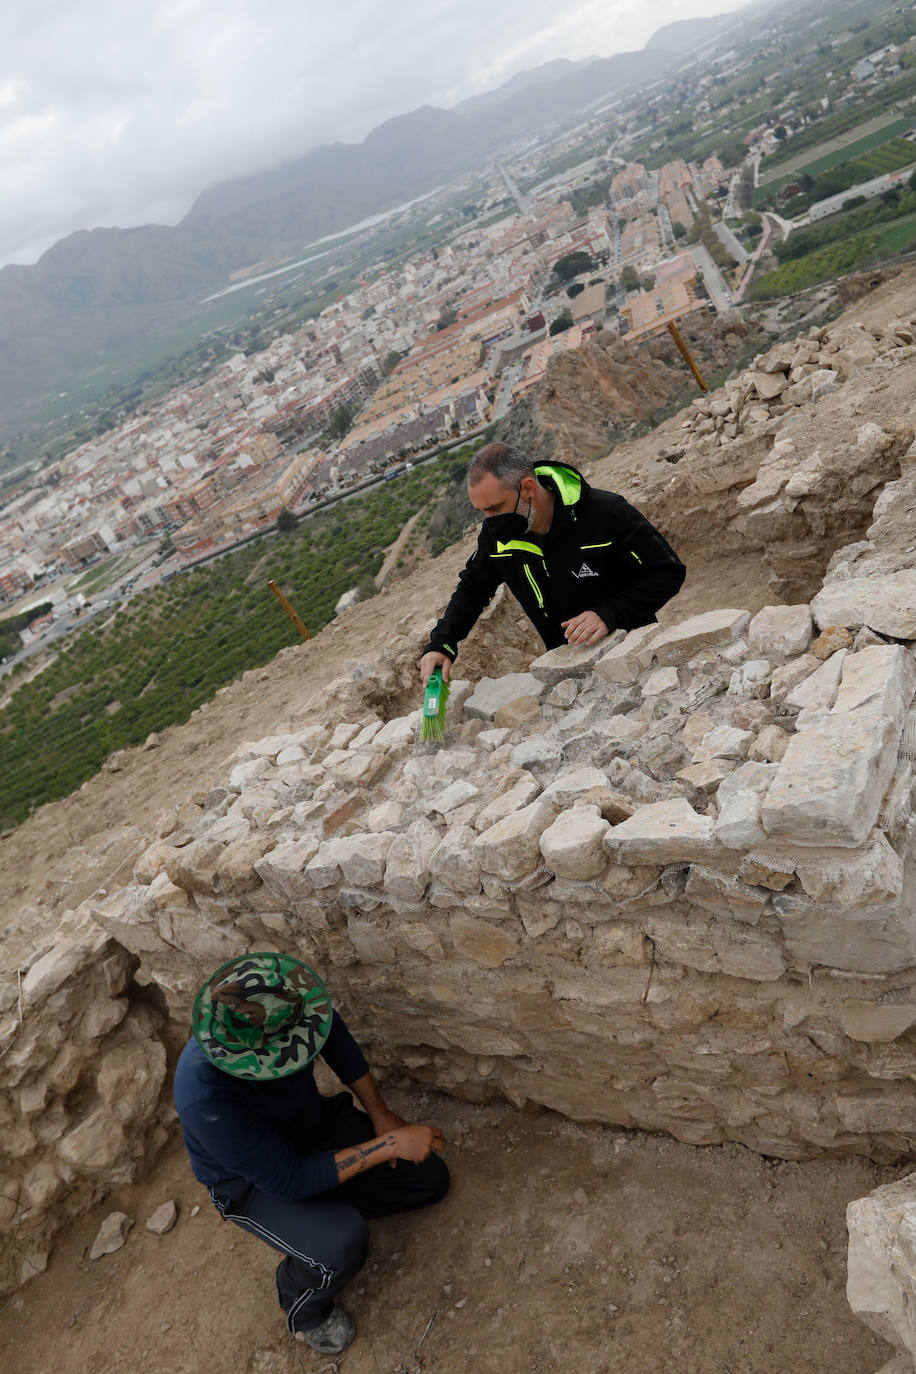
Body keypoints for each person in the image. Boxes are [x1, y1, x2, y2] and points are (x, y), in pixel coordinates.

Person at [174, 953, 449, 1355]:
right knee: (340, 1243)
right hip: (252, 1183)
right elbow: (289, 1179)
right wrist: (388, 1145)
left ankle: (322, 1209)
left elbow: (333, 1036)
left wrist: (382, 1115)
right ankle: (300, 1303)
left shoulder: (290, 1008)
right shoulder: (206, 1098)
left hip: (311, 1128)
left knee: (428, 1180)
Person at [419, 441, 685, 683]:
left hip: (636, 660)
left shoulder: (606, 512)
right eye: (483, 512)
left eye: (495, 508)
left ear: (528, 488)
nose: (489, 521)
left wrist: (609, 613)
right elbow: (473, 588)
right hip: (568, 675)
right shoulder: (496, 537)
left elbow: (667, 570)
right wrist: (442, 643)